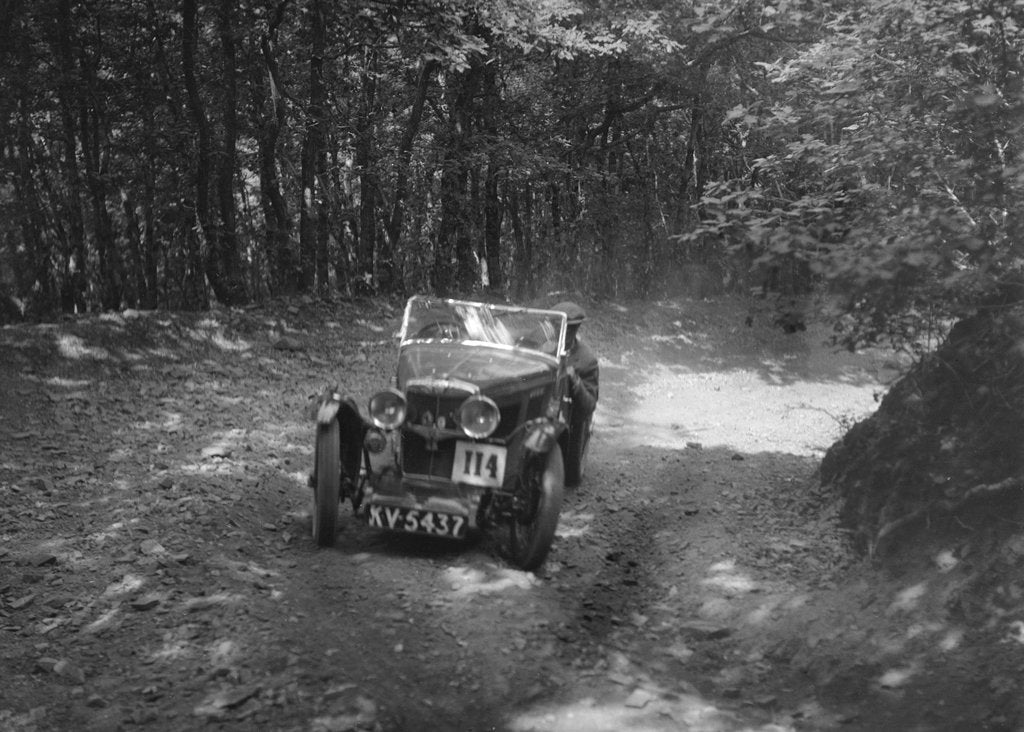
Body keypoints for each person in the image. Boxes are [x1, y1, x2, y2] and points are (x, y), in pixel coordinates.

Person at [553, 301, 599, 418]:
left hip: (568, 424)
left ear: (574, 330)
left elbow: (589, 406)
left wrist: (575, 380)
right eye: (555, 327)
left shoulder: (587, 361)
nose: (557, 332)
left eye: (564, 330)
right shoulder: (543, 348)